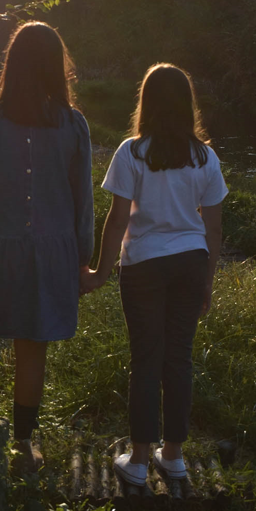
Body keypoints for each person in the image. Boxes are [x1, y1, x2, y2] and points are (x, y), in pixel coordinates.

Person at [0, 22, 93, 472]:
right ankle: (23, 446)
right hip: (53, 253)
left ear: (11, 65)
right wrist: (82, 258)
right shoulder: (74, 126)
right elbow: (82, 200)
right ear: (57, 67)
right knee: (32, 347)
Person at [82, 63, 228, 486]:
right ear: (188, 104)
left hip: (144, 264)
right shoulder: (205, 156)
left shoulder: (132, 151)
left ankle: (141, 460)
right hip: (190, 263)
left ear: (145, 102)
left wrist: (99, 271)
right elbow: (213, 228)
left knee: (146, 358)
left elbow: (116, 221)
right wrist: (207, 280)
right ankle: (175, 456)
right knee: (178, 358)